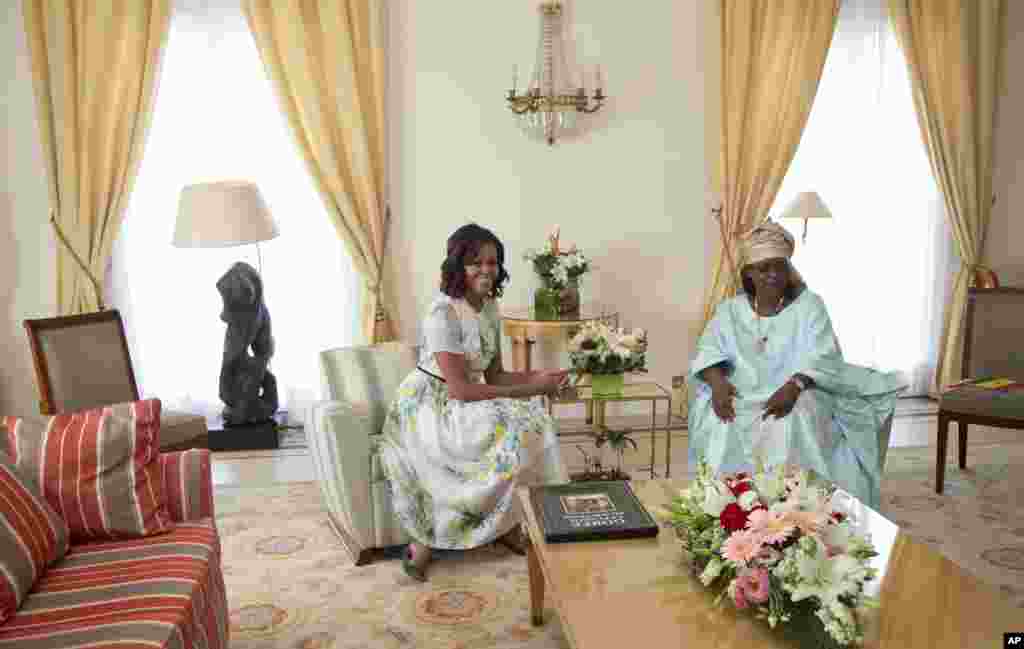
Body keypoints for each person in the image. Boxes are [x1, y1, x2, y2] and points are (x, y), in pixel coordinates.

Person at [378, 223, 570, 582]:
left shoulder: (490, 307)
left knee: (533, 419)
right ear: (458, 266)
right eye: (475, 262)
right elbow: (461, 390)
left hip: (463, 396)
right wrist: (531, 389)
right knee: (515, 420)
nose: (486, 269)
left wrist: (543, 377)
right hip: (429, 405)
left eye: (493, 262)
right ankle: (429, 537)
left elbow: (496, 376)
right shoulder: (443, 313)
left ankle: (513, 520)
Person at [687, 220, 907, 508]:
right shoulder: (730, 311)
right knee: (723, 418)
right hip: (741, 390)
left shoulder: (810, 305)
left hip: (801, 387)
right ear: (749, 273)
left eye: (779, 266)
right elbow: (708, 350)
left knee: (792, 418)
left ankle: (795, 505)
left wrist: (795, 385)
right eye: (763, 268)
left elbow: (823, 356)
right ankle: (728, 503)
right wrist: (717, 384)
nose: (772, 275)